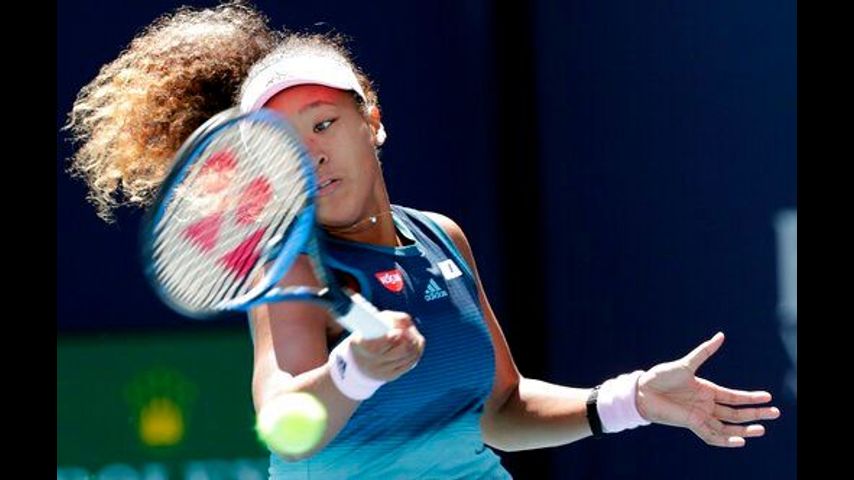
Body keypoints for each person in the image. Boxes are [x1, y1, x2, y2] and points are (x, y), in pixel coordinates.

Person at [64, 2, 780, 478]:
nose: (312, 154)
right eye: (284, 141)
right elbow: (285, 426)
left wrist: (630, 401)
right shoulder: (292, 268)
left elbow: (502, 412)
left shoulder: (440, 237)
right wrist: (355, 371)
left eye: (324, 123)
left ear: (370, 119)